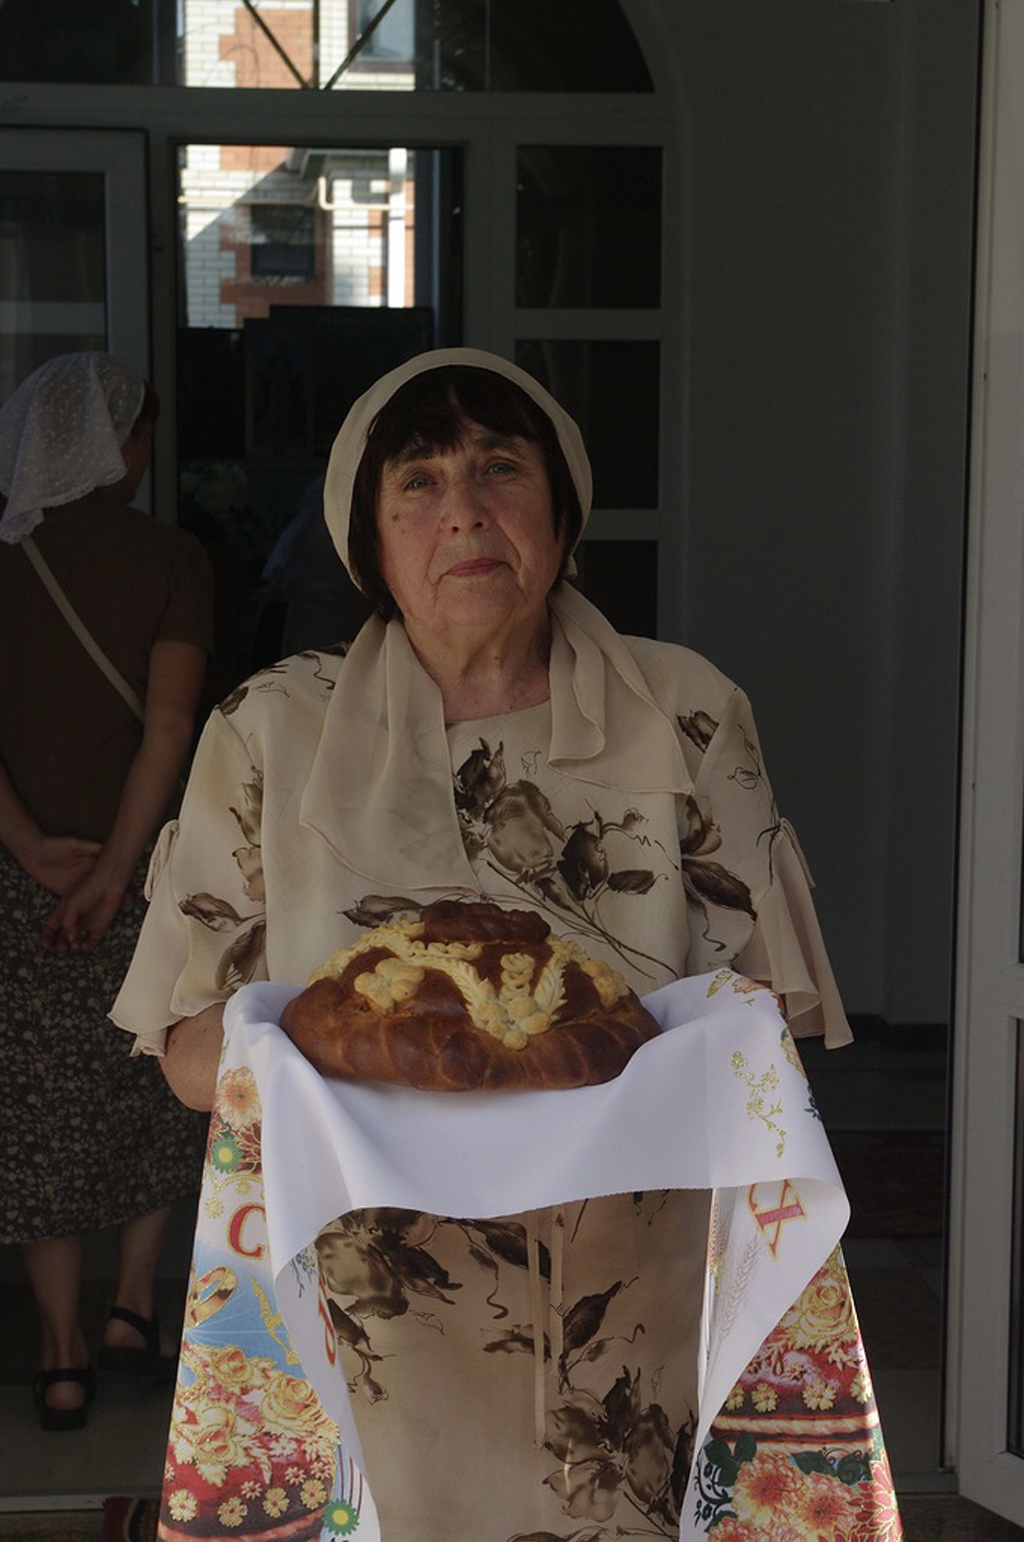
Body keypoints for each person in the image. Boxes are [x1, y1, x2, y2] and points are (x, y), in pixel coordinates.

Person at [111, 347, 851, 1535]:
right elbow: (187, 1057)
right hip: (365, 1313)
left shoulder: (684, 711)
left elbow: (770, 1029)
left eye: (501, 468)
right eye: (419, 481)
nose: (463, 509)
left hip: (626, 1310)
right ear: (369, 540)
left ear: (561, 517)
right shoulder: (269, 732)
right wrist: (267, 1038)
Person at [0, 352, 214, 1431]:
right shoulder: (172, 557)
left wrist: (34, 846)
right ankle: (133, 1306)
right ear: (109, 444)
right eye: (139, 435)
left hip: (16, 882)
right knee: (154, 1082)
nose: (144, 455)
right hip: (149, 872)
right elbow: (169, 727)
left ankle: (60, 1351)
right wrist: (117, 873)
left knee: (37, 1109)